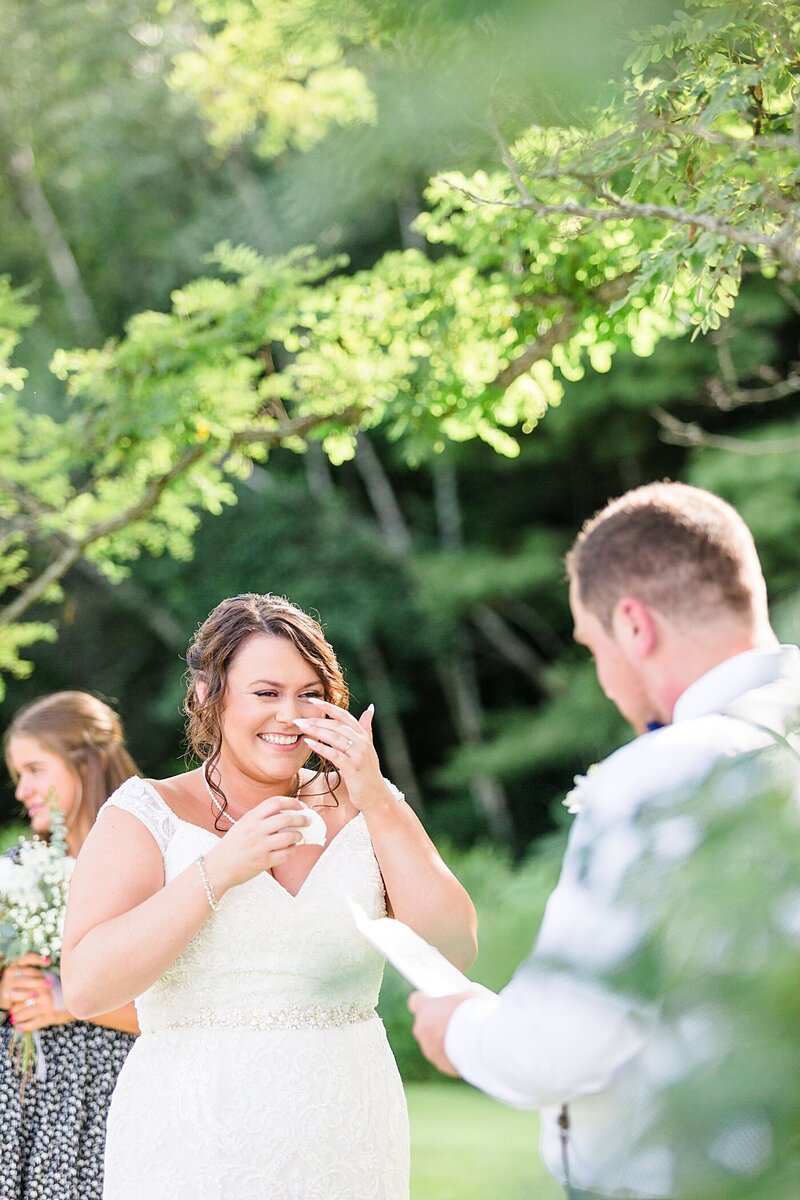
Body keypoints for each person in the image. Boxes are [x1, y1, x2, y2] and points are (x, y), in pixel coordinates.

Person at [409, 481, 800, 1200]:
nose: (607, 681)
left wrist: (459, 1028)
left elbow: (562, 1041)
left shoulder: (669, 773)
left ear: (633, 625)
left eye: (592, 647)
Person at [61, 592, 477, 1200]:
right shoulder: (147, 814)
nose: (289, 715)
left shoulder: (369, 806)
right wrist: (218, 871)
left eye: (309, 693)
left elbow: (453, 950)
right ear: (209, 693)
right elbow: (87, 986)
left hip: (350, 1137)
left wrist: (379, 799)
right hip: (194, 1144)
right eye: (265, 693)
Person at [0, 691, 141, 1200]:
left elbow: (180, 1007)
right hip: (22, 1107)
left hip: (117, 1095)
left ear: (88, 761)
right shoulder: (16, 868)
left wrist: (68, 1002)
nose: (23, 790)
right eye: (18, 776)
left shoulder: (148, 864)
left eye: (35, 769)